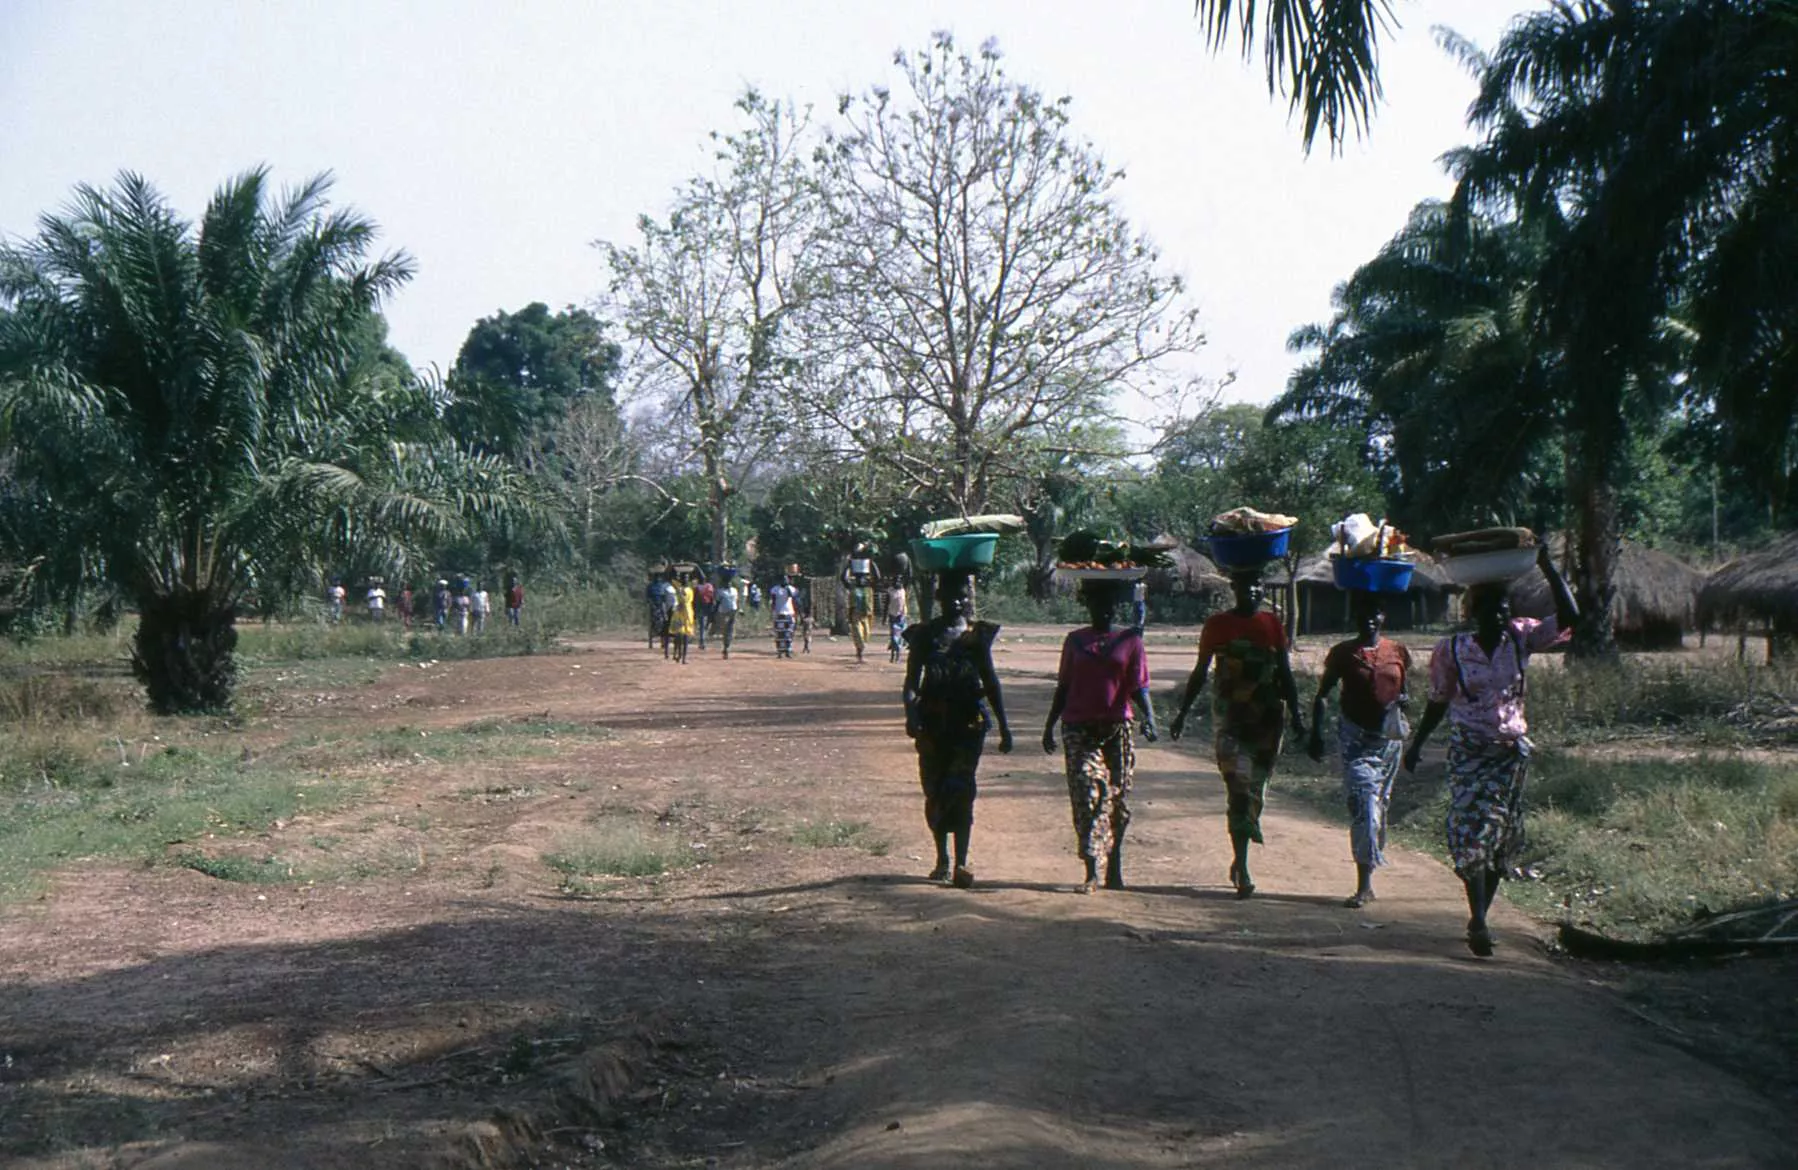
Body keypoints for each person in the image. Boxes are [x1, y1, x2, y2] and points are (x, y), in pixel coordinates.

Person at [1404, 545, 1577, 957]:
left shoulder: (1520, 638)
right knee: (1470, 831)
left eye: (1504, 609)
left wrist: (1549, 568)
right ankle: (1478, 918)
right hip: (1469, 750)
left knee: (1501, 839)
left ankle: (1481, 914)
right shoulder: (1453, 650)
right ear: (1473, 613)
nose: (1499, 616)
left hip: (1510, 754)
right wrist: (1418, 743)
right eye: (1491, 610)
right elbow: (1438, 699)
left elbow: (1572, 618)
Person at [1170, 571, 1305, 898]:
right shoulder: (1217, 625)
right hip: (1230, 720)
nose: (1254, 590)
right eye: (1247, 585)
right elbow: (1201, 671)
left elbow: (1284, 673)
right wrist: (1183, 713)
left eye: (1258, 584)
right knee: (1239, 789)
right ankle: (1243, 868)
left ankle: (1238, 856)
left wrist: (1299, 717)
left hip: (1267, 720)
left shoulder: (1272, 625)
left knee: (1255, 790)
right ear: (1235, 588)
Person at [1042, 579, 1159, 892]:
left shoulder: (1130, 640)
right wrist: (1049, 724)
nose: (1103, 609)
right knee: (1088, 791)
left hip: (1116, 729)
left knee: (1118, 799)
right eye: (1096, 603)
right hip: (1079, 727)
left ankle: (1115, 866)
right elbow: (1064, 686)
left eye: (1108, 603)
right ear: (1088, 605)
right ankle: (1092, 869)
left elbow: (1139, 686)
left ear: (1115, 606)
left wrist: (1149, 718)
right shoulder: (1075, 641)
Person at [902, 568, 1013, 888]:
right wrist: (911, 714)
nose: (957, 601)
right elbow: (911, 683)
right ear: (939, 599)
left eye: (963, 596)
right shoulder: (924, 636)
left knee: (962, 790)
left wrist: (1005, 727)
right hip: (932, 725)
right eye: (951, 596)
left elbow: (991, 683)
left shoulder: (977, 637)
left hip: (968, 725)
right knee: (934, 790)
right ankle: (942, 859)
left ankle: (962, 861)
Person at [1308, 593, 1413, 908]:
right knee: (1365, 803)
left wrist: (1404, 703)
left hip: (1389, 741)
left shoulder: (1397, 652)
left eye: (1375, 613)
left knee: (1380, 806)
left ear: (1383, 617)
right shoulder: (1342, 653)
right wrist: (1315, 733)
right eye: (1363, 613)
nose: (1369, 619)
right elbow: (1322, 695)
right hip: (1355, 739)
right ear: (1354, 618)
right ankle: (1364, 885)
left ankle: (1370, 867)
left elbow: (1404, 692)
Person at [842, 544, 881, 663]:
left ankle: (860, 649)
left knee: (856, 622)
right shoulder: (869, 565)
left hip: (857, 594)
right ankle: (861, 648)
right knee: (865, 621)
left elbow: (843, 578)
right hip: (866, 594)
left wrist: (849, 583)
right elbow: (878, 577)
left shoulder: (852, 566)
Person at [667, 570, 696, 664]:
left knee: (686, 637)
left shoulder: (690, 589)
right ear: (680, 579)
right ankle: (678, 653)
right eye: (684, 578)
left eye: (687, 578)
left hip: (688, 613)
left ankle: (683, 657)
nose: (686, 580)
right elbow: (670, 577)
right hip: (680, 612)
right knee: (679, 636)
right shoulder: (678, 588)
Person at [769, 574, 799, 659]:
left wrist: (787, 587)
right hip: (779, 613)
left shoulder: (791, 589)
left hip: (789, 613)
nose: (785, 581)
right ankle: (780, 651)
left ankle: (788, 651)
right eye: (783, 579)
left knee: (789, 633)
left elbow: (793, 597)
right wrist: (773, 611)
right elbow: (773, 601)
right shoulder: (775, 589)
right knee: (780, 633)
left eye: (786, 580)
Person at [714, 574, 740, 658]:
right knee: (725, 630)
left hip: (733, 611)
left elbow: (737, 601)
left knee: (731, 629)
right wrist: (714, 612)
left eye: (730, 582)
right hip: (723, 612)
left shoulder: (734, 590)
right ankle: (725, 646)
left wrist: (740, 609)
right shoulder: (720, 591)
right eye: (727, 583)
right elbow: (717, 602)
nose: (729, 584)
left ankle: (727, 647)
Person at [887, 578, 909, 663]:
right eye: (895, 581)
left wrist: (908, 566)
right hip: (892, 616)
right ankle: (892, 656)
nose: (897, 583)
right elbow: (886, 604)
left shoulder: (903, 590)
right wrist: (885, 617)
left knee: (899, 637)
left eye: (899, 581)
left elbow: (909, 578)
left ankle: (897, 657)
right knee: (893, 637)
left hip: (901, 616)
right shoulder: (890, 591)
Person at [695, 575, 717, 651]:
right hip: (707, 609)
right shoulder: (709, 586)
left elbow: (695, 599)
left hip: (700, 608)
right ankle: (702, 642)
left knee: (702, 626)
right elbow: (712, 598)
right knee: (704, 626)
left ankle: (702, 642)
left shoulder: (698, 587)